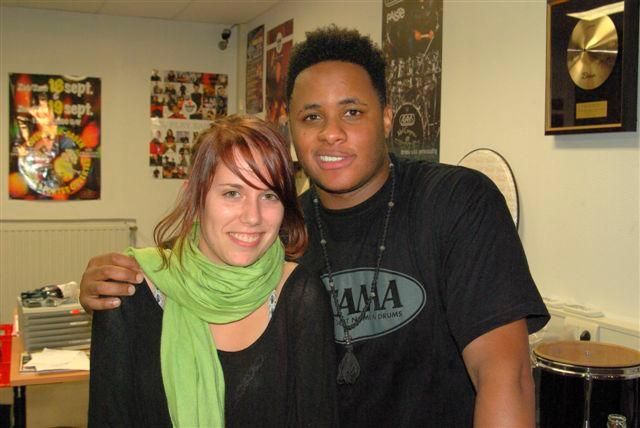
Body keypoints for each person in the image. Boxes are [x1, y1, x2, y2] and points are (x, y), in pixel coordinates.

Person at [81, 26, 549, 427]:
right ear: (291, 131)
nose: (331, 133)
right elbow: (204, 276)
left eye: (352, 112)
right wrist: (119, 282)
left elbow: (505, 376)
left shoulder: (456, 203)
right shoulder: (277, 233)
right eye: (311, 116)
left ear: (387, 118)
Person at [88, 115, 337, 427]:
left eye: (269, 195)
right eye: (232, 193)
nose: (253, 217)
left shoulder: (300, 295)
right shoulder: (128, 290)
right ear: (195, 197)